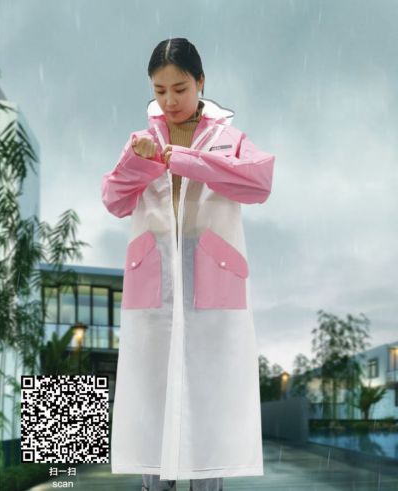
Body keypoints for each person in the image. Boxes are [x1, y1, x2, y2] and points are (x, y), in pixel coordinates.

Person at [101, 38, 275, 491]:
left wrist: (178, 159)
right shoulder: (142, 142)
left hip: (211, 271)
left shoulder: (228, 140)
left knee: (209, 395)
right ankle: (154, 485)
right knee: (152, 393)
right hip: (155, 273)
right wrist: (140, 162)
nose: (170, 101)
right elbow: (114, 200)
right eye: (159, 90)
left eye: (179, 88)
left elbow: (258, 183)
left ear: (201, 82)